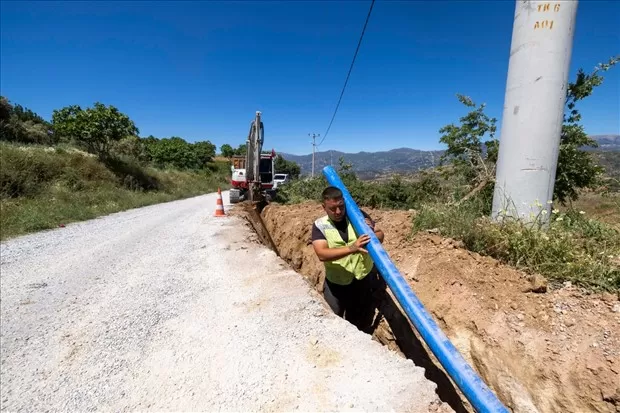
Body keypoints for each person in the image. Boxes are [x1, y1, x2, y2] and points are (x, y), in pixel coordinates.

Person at [311, 186, 386, 333]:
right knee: (332, 323)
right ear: (324, 207)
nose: (338, 212)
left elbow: (380, 235)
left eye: (341, 207)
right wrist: (352, 248)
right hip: (336, 285)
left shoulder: (358, 217)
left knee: (358, 325)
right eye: (333, 209)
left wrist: (371, 235)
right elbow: (322, 254)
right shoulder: (320, 225)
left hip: (362, 282)